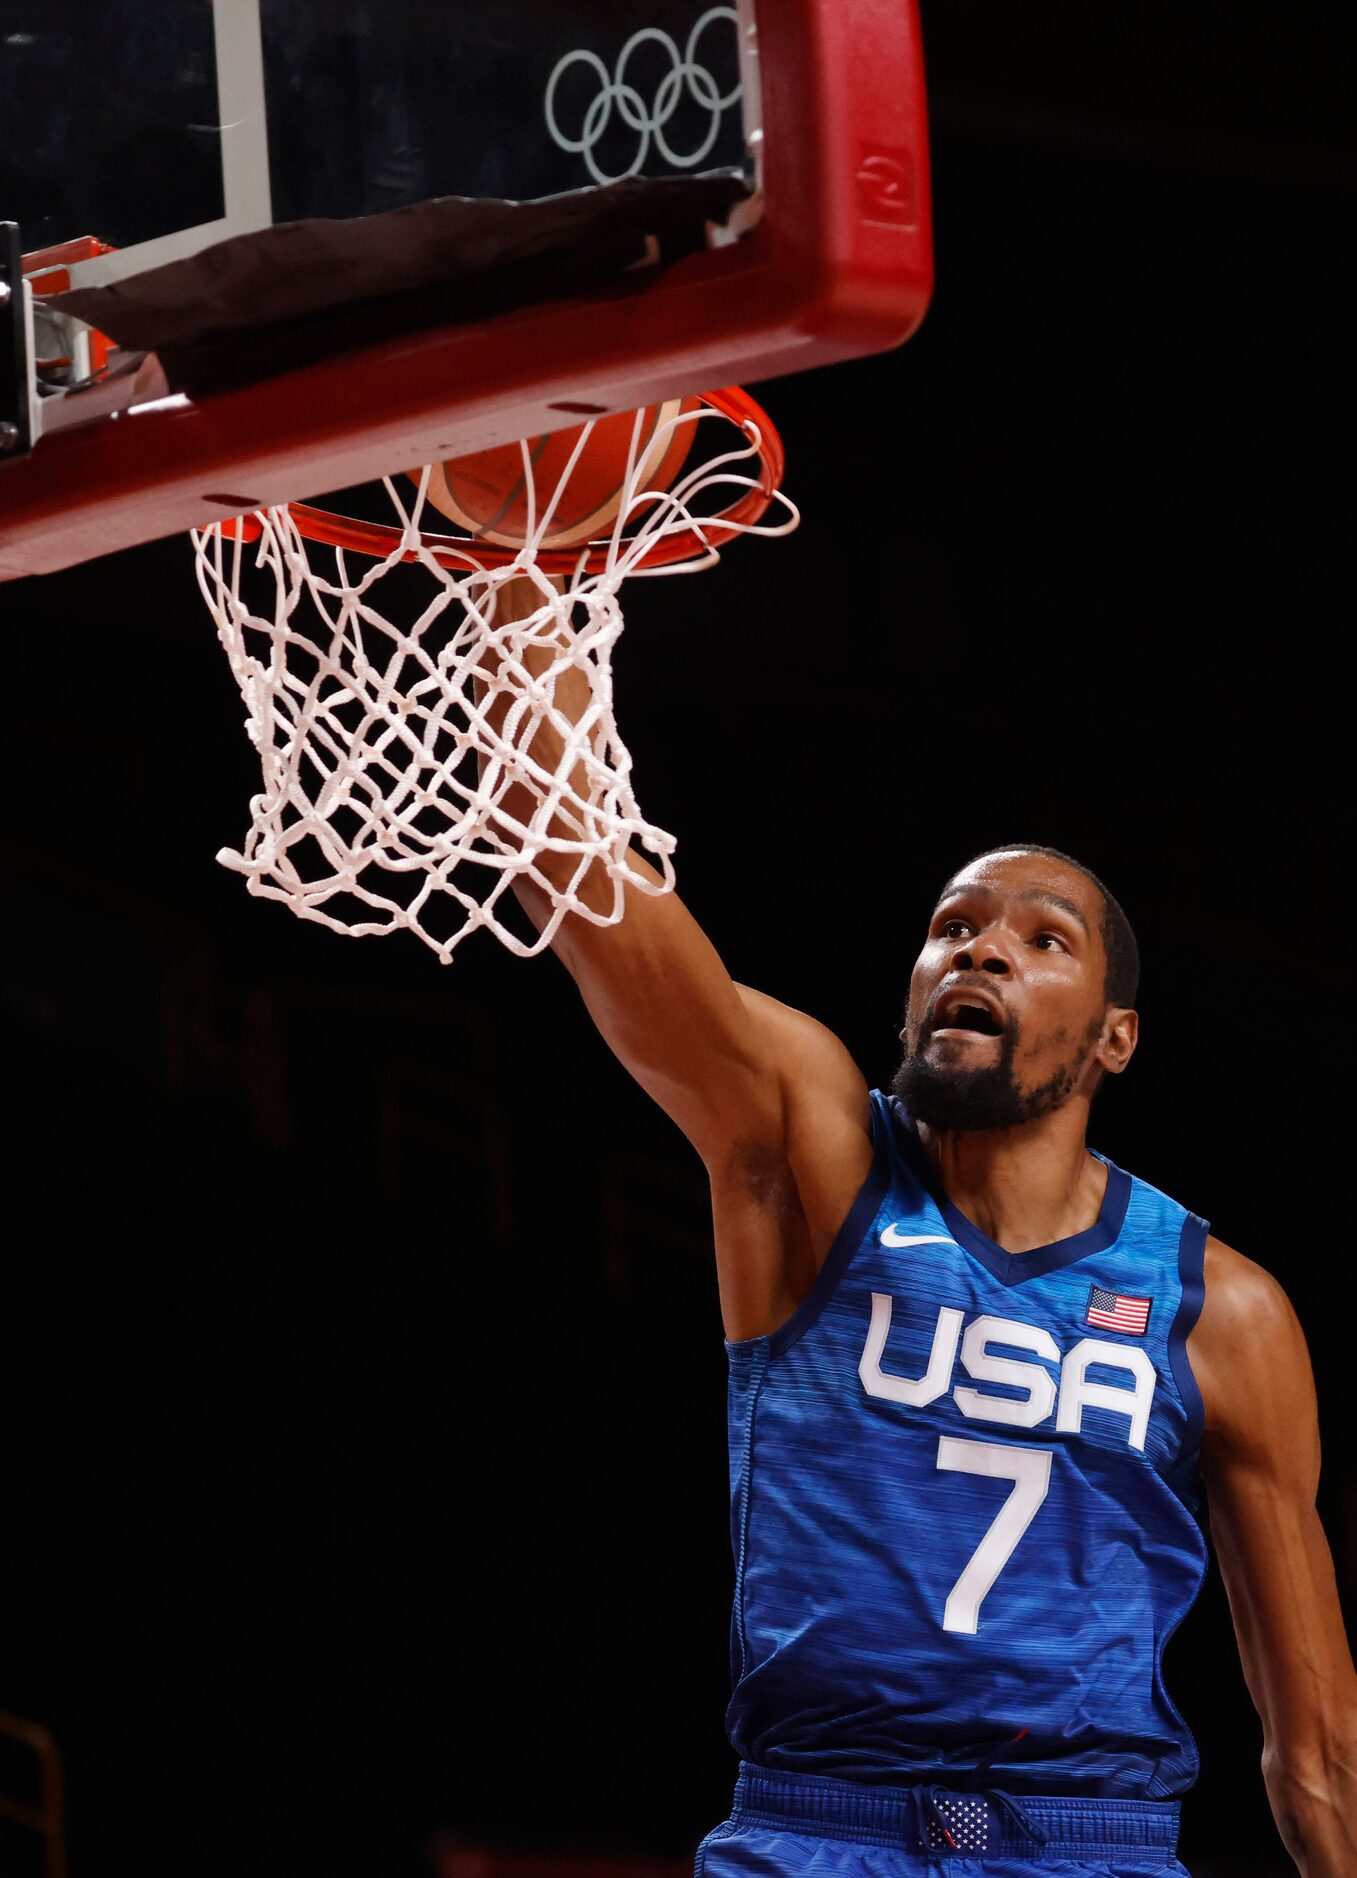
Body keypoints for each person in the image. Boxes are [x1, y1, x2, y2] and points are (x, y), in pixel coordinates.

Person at [490, 587, 1355, 1875]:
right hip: (817, 1827)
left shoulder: (1222, 1310)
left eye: (1041, 940)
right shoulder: (814, 1153)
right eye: (954, 928)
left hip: (1088, 1843)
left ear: (1116, 1034)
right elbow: (583, 875)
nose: (981, 953)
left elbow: (1318, 1745)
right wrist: (529, 602)